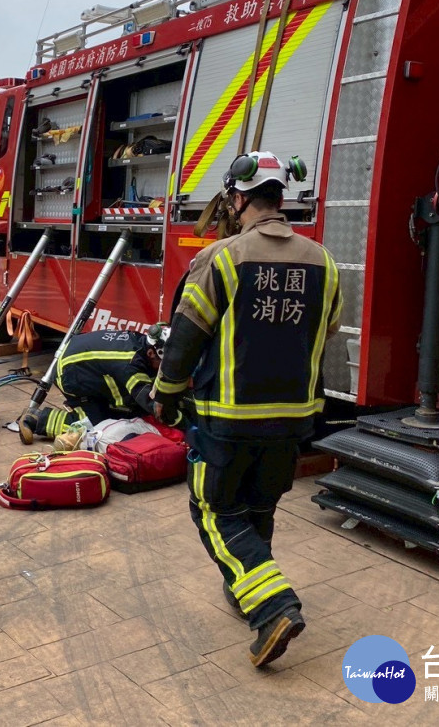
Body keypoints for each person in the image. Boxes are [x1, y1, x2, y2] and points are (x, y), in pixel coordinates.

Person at [152, 151, 340, 668]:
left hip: (229, 419)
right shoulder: (322, 261)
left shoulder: (223, 258)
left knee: (214, 510)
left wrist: (165, 396)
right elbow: (325, 337)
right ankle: (249, 591)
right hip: (293, 418)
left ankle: (273, 607)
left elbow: (186, 338)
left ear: (239, 198)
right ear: (283, 196)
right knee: (260, 505)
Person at [17, 324, 176, 445]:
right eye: (162, 362)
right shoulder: (131, 365)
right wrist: (179, 420)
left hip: (80, 361)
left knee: (128, 412)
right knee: (100, 426)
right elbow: (149, 401)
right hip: (71, 374)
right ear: (151, 353)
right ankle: (36, 419)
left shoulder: (140, 343)